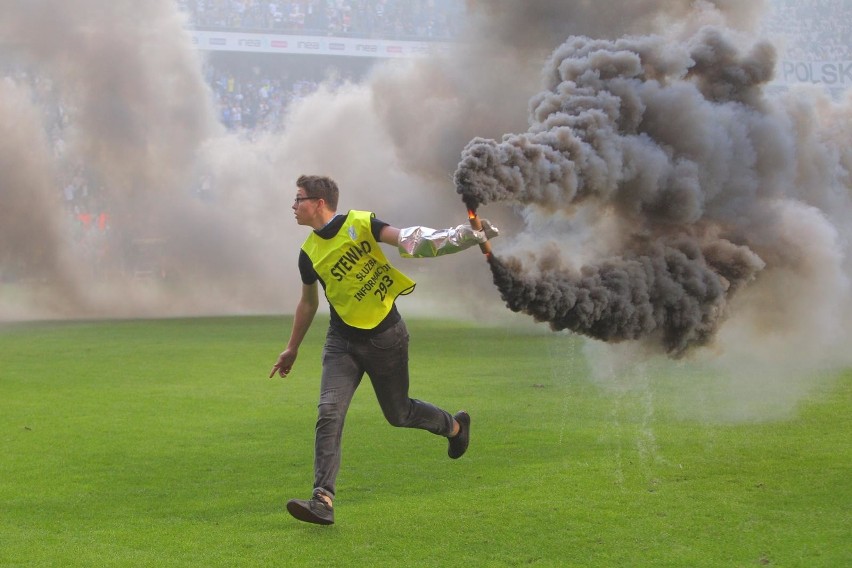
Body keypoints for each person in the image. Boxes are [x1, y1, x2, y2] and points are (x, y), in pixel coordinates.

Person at [269, 174, 497, 526]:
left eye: (298, 198)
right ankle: (323, 499)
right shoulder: (308, 254)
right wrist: (292, 348)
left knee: (399, 413)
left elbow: (412, 240)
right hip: (341, 341)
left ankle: (454, 427)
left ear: (318, 202)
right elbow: (308, 303)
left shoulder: (361, 223)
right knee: (329, 413)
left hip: (386, 336)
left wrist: (464, 236)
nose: (293, 206)